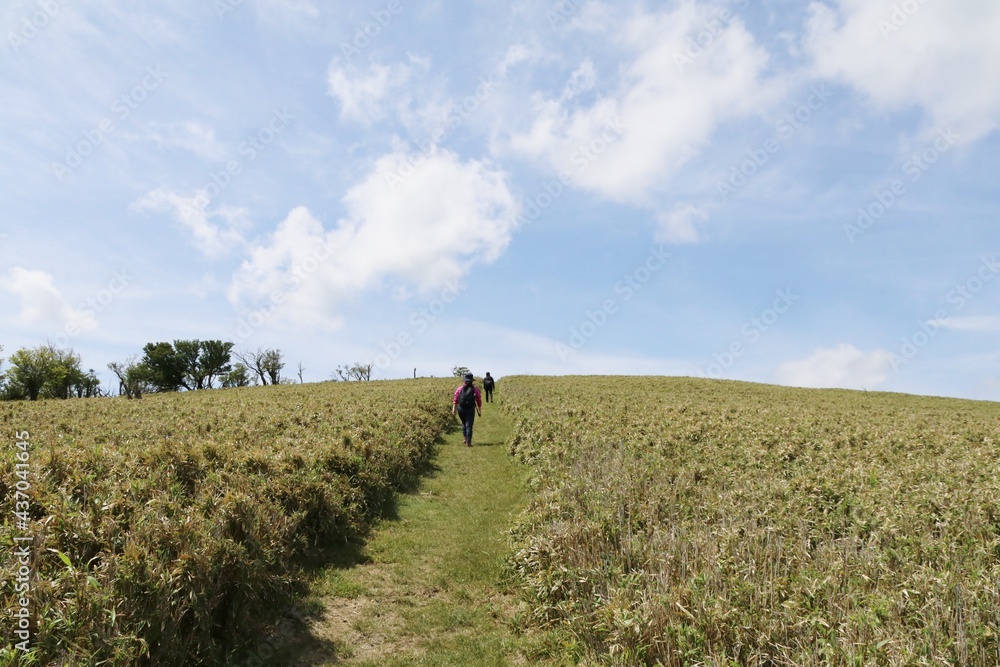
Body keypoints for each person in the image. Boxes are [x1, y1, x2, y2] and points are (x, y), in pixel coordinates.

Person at [452, 372, 482, 447]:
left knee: (463, 423)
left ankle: (465, 438)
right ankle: (469, 442)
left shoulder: (459, 389)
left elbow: (455, 399)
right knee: (469, 425)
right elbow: (479, 400)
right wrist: (479, 410)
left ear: (465, 381)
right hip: (470, 409)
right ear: (472, 381)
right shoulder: (475, 389)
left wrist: (454, 409)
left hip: (460, 408)